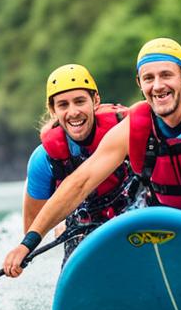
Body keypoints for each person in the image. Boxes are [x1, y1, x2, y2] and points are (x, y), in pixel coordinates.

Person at [3, 38, 181, 277]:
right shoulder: (132, 130)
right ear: (140, 85)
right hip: (175, 224)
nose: (158, 85)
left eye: (166, 75)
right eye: (149, 78)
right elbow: (80, 183)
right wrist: (28, 243)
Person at [24, 63, 137, 264]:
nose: (73, 112)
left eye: (79, 101)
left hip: (136, 210)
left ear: (95, 101)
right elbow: (31, 228)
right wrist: (57, 227)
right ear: (52, 110)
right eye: (63, 105)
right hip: (84, 226)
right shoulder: (43, 160)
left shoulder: (127, 130)